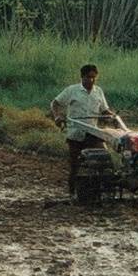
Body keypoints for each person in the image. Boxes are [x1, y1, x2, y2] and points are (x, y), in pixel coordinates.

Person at [49, 62, 127, 194]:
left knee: (105, 159)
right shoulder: (72, 90)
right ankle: (72, 193)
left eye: (93, 78)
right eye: (88, 77)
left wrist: (112, 117)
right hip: (75, 133)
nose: (91, 80)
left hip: (93, 132)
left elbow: (104, 110)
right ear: (82, 77)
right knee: (75, 166)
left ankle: (103, 191)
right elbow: (55, 103)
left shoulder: (98, 91)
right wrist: (57, 117)